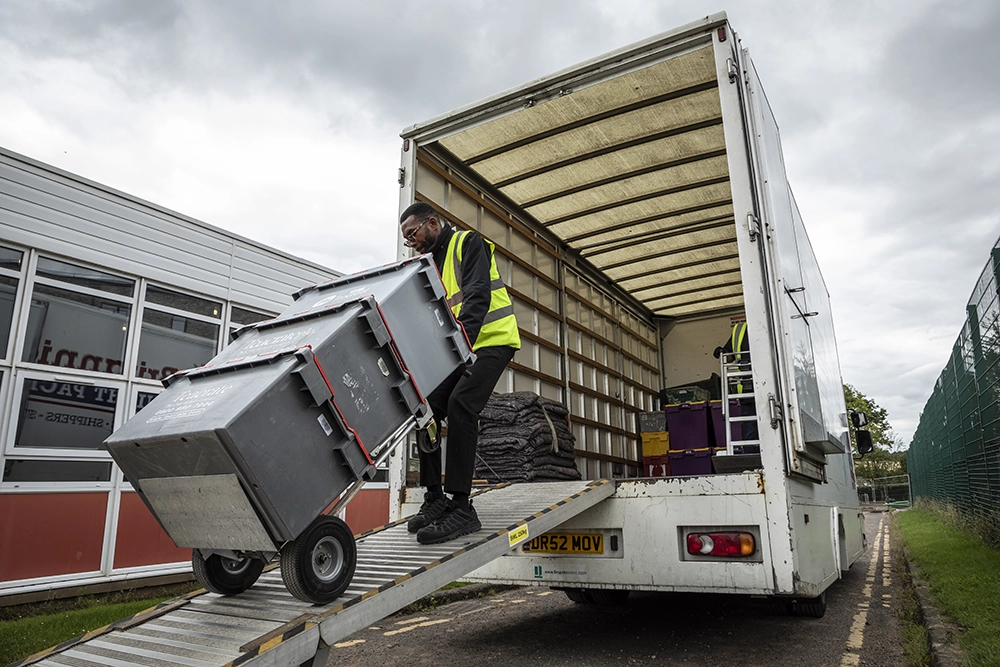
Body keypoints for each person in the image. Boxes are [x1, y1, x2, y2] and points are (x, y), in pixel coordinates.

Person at [399, 202, 521, 544]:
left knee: (461, 404)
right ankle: (435, 498)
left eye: (414, 234)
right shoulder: (428, 265)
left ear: (433, 223)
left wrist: (457, 350)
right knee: (426, 411)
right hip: (460, 351)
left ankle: (462, 506)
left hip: (492, 342)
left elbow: (478, 297)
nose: (412, 242)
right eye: (407, 239)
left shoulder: (469, 243)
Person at [713, 320, 758, 447]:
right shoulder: (740, 329)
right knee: (750, 430)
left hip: (771, 389)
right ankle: (752, 462)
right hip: (747, 390)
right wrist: (722, 352)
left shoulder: (771, 322)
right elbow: (730, 355)